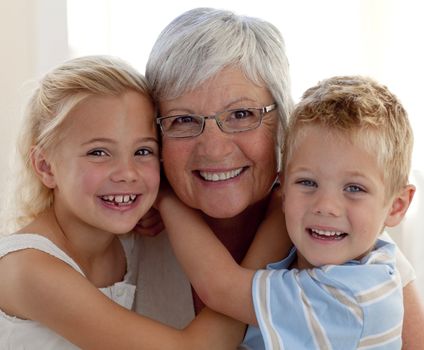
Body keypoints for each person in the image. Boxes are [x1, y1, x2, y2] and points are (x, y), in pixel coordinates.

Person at [136, 7, 424, 347]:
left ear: (282, 125)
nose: (213, 149)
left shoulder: (351, 249)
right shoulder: (121, 235)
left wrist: (165, 198)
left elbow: (220, 288)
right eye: (182, 120)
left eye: (242, 114)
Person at [0, 55, 261, 349]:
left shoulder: (133, 243)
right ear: (46, 167)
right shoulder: (26, 268)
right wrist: (272, 233)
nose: (126, 173)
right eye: (98, 152)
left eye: (143, 151)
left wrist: (163, 200)